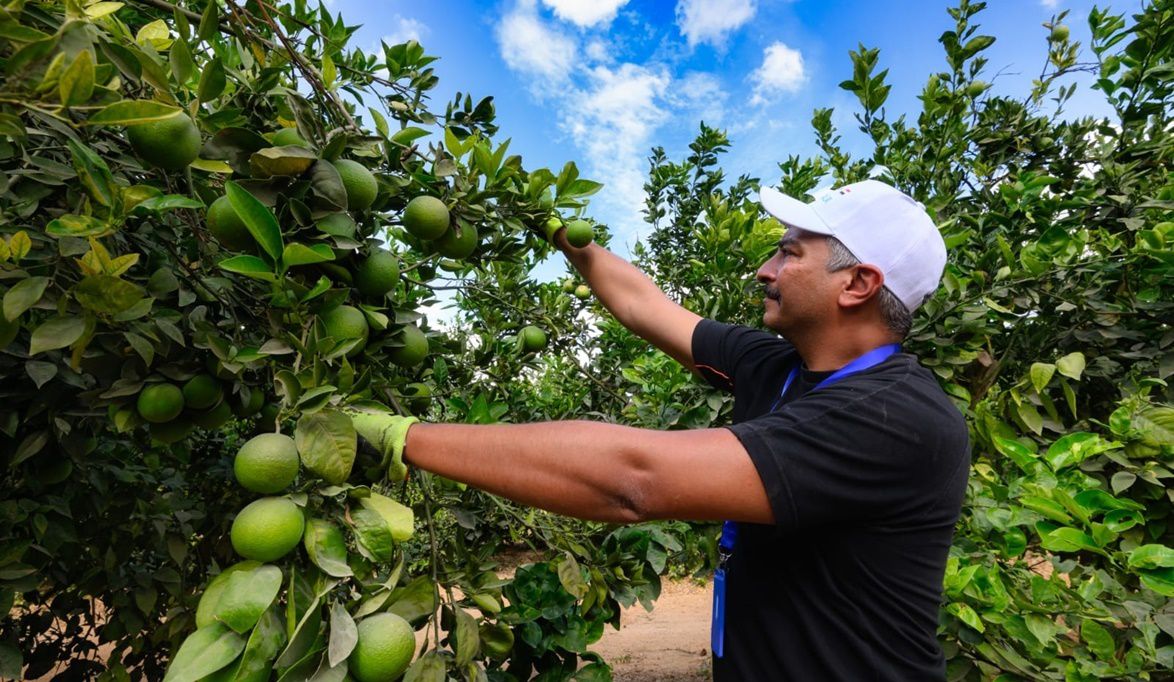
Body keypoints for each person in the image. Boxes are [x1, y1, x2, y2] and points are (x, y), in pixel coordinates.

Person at [386, 179, 971, 680]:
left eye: (790, 254)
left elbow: (632, 479)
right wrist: (558, 231)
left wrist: (406, 438)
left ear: (858, 284)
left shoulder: (896, 419)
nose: (764, 270)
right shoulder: (777, 365)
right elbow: (645, 305)